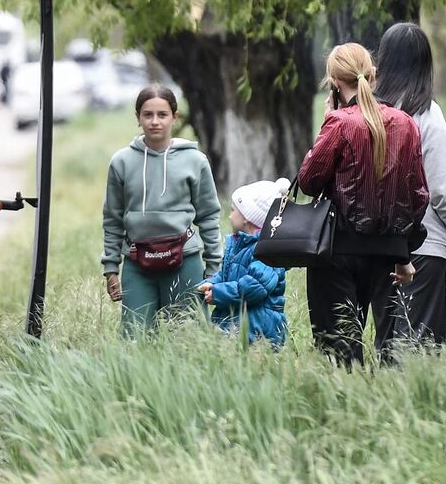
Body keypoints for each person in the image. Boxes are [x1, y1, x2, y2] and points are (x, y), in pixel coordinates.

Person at [296, 43, 428, 366]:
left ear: (335, 83)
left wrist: (327, 123)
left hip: (338, 251)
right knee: (390, 348)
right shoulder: (405, 123)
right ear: (373, 76)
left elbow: (309, 181)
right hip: (387, 255)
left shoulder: (339, 123)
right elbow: (418, 195)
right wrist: (403, 251)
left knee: (338, 348)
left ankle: (344, 408)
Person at [101, 84, 223, 335]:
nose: (155, 121)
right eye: (148, 115)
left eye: (162, 114)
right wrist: (111, 268)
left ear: (174, 117)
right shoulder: (121, 162)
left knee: (188, 337)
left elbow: (209, 216)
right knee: (133, 338)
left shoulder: (195, 161)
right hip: (137, 263)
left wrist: (213, 270)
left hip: (184, 260)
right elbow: (112, 219)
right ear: (138, 118)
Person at [372, 22, 446, 345]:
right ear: (425, 64)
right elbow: (440, 190)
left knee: (386, 342)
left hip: (376, 244)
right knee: (418, 348)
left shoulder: (368, 113)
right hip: (424, 246)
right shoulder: (427, 115)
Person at [200, 176, 291, 346]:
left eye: (233, 210)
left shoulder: (266, 251)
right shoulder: (239, 244)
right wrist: (212, 283)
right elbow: (228, 274)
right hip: (236, 322)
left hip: (258, 329)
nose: (229, 216)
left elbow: (254, 287)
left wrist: (219, 293)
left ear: (247, 217)